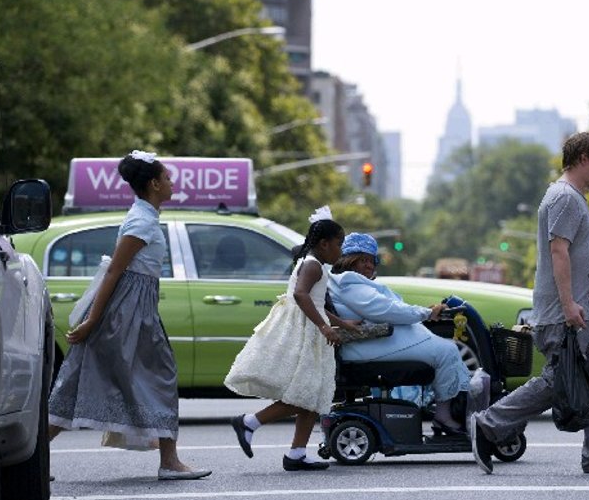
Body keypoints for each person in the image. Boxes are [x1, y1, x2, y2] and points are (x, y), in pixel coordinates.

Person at [469, 132, 589, 475]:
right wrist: (567, 306)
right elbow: (558, 250)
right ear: (582, 159)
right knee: (557, 382)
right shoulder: (563, 197)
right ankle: (487, 424)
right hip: (565, 313)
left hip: (584, 311)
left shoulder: (578, 196)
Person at [48, 150, 211, 481]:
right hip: (127, 313)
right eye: (167, 178)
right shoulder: (141, 221)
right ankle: (170, 462)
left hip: (135, 310)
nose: (171, 182)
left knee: (85, 379)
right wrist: (93, 321)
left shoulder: (146, 216)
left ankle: (169, 460)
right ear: (153, 184)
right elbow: (115, 272)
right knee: (160, 375)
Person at [224, 206, 347, 471]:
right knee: (304, 393)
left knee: (312, 393)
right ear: (324, 244)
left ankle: (297, 454)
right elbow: (301, 296)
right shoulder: (313, 265)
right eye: (339, 244)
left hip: (311, 327)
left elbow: (315, 302)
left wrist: (341, 323)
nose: (341, 250)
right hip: (306, 332)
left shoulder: (315, 263)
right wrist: (324, 328)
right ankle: (250, 422)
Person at [327, 232, 471, 434]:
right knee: (447, 351)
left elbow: (391, 307)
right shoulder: (349, 282)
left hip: (376, 342)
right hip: (370, 345)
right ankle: (444, 417)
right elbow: (385, 309)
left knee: (445, 350)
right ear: (349, 261)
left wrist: (423, 312)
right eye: (363, 260)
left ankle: (444, 412)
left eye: (372, 261)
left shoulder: (349, 282)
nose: (369, 265)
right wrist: (426, 313)